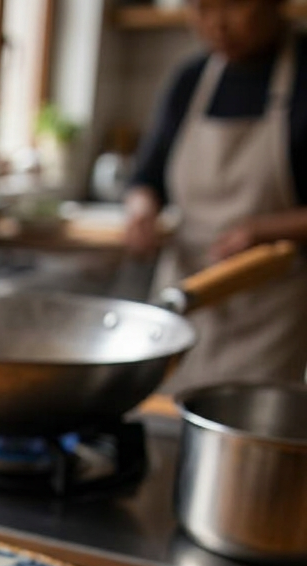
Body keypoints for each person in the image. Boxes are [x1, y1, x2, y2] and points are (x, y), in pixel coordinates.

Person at [124, 0, 307, 391]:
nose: (216, 24)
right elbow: (146, 177)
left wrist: (266, 230)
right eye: (201, 7)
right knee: (161, 413)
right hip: (184, 294)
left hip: (268, 311)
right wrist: (141, 211)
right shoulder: (190, 79)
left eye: (233, 5)